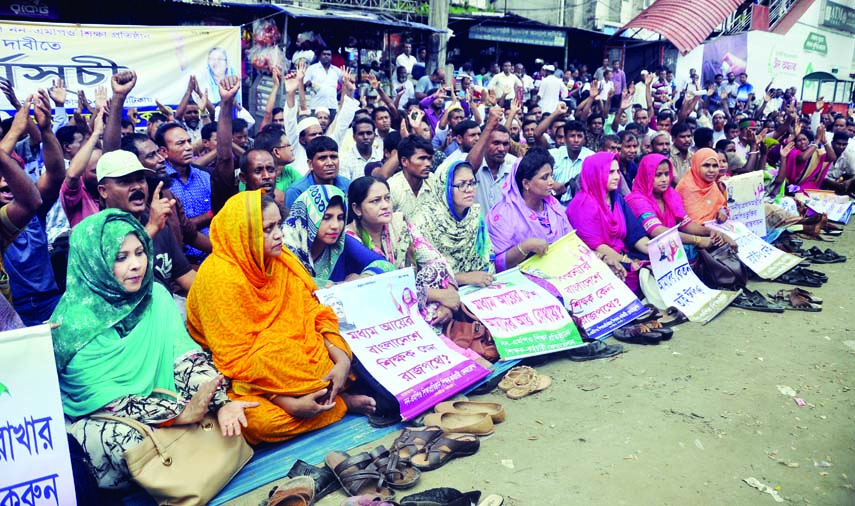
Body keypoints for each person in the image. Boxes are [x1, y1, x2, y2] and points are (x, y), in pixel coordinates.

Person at [53, 209, 256, 489]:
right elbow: (101, 399)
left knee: (231, 400)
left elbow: (184, 356)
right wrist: (177, 414)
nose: (136, 265)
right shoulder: (72, 325)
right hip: (105, 416)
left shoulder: (155, 296)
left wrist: (219, 401)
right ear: (94, 263)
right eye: (120, 257)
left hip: (163, 396)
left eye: (140, 252)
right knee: (125, 442)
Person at [186, 191, 378, 444]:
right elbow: (236, 360)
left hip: (298, 353)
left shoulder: (280, 259)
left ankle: (325, 394)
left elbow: (316, 311)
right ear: (242, 232)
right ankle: (340, 403)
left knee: (353, 353)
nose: (279, 235)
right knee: (259, 423)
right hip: (256, 378)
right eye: (267, 228)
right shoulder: (218, 278)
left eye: (279, 225)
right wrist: (287, 402)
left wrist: (340, 359)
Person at [346, 176, 459, 325]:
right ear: (357, 209)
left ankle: (434, 317)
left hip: (410, 297)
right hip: (376, 309)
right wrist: (437, 295)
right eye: (376, 201)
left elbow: (436, 260)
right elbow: (382, 287)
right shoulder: (350, 238)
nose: (385, 205)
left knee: (435, 269)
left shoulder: (399, 224)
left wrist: (449, 298)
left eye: (387, 198)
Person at [566, 152, 649, 291]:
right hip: (599, 263)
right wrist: (629, 263)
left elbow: (635, 233)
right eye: (610, 172)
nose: (617, 177)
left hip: (623, 255)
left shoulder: (616, 199)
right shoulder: (582, 205)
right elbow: (597, 246)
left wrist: (653, 250)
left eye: (618, 171)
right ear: (595, 174)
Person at [283, 184, 393, 284]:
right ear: (308, 217)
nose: (335, 226)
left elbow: (384, 265)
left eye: (340, 218)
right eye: (326, 218)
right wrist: (336, 286)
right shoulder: (285, 247)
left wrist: (364, 277)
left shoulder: (342, 241)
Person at [488, 148, 573, 272]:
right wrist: (524, 247)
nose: (551, 182)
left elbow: (569, 240)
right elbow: (496, 264)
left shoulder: (553, 205)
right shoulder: (503, 215)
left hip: (559, 272)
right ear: (526, 184)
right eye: (544, 177)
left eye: (551, 176)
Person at [412, 161, 495, 287]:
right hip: (440, 295)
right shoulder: (423, 221)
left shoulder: (474, 215)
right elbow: (425, 276)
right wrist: (465, 278)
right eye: (461, 184)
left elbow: (487, 256)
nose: (470, 190)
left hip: (475, 287)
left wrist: (485, 278)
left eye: (472, 183)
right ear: (445, 187)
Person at [626, 154, 728, 253]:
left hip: (673, 247)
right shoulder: (637, 200)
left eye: (666, 174)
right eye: (658, 175)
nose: (664, 179)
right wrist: (698, 240)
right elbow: (656, 231)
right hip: (651, 252)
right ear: (646, 176)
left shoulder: (671, 195)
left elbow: (685, 224)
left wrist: (709, 231)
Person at [285, 136, 351, 208]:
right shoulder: (297, 191)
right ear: (310, 164)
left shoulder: (347, 185)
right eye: (322, 158)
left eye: (333, 157)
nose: (330, 163)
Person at [675, 148, 731, 224]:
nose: (711, 170)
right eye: (706, 165)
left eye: (715, 166)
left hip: (715, 229)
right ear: (696, 165)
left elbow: (722, 205)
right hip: (696, 233)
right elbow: (692, 223)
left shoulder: (711, 185)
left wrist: (722, 210)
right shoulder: (686, 188)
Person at [779, 126, 837, 191]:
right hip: (794, 187)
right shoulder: (793, 152)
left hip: (810, 186)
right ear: (795, 143)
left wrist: (824, 141)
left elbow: (832, 157)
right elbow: (803, 158)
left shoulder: (815, 152)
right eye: (799, 140)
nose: (802, 142)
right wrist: (817, 140)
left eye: (804, 139)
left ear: (808, 141)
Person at [303, 48, 342, 114]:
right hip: (316, 106)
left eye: (328, 54)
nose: (326, 56)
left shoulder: (336, 70)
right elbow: (304, 84)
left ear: (331, 57)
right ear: (320, 56)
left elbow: (345, 84)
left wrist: (337, 94)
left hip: (332, 106)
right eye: (324, 54)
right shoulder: (312, 69)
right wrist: (308, 83)